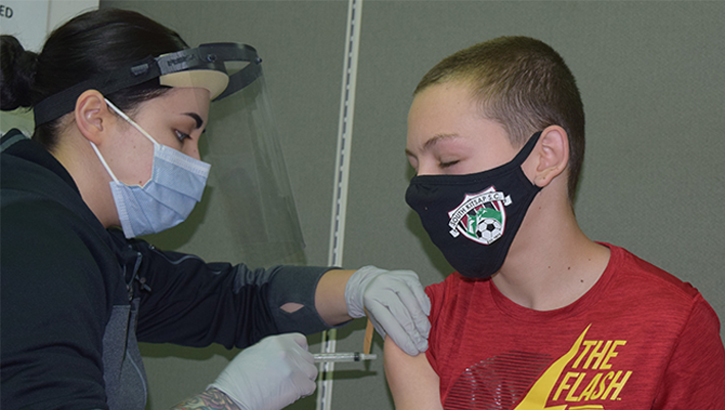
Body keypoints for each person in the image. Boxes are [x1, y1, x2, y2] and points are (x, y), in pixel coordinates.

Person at [0, 8, 432, 410]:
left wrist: (358, 288)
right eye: (182, 132)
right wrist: (226, 401)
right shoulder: (32, 241)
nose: (197, 160)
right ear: (95, 117)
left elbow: (231, 302)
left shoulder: (89, 242)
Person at [385, 36, 725, 409]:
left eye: (448, 161)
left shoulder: (671, 323)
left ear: (546, 156)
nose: (423, 189)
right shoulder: (422, 325)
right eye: (416, 166)